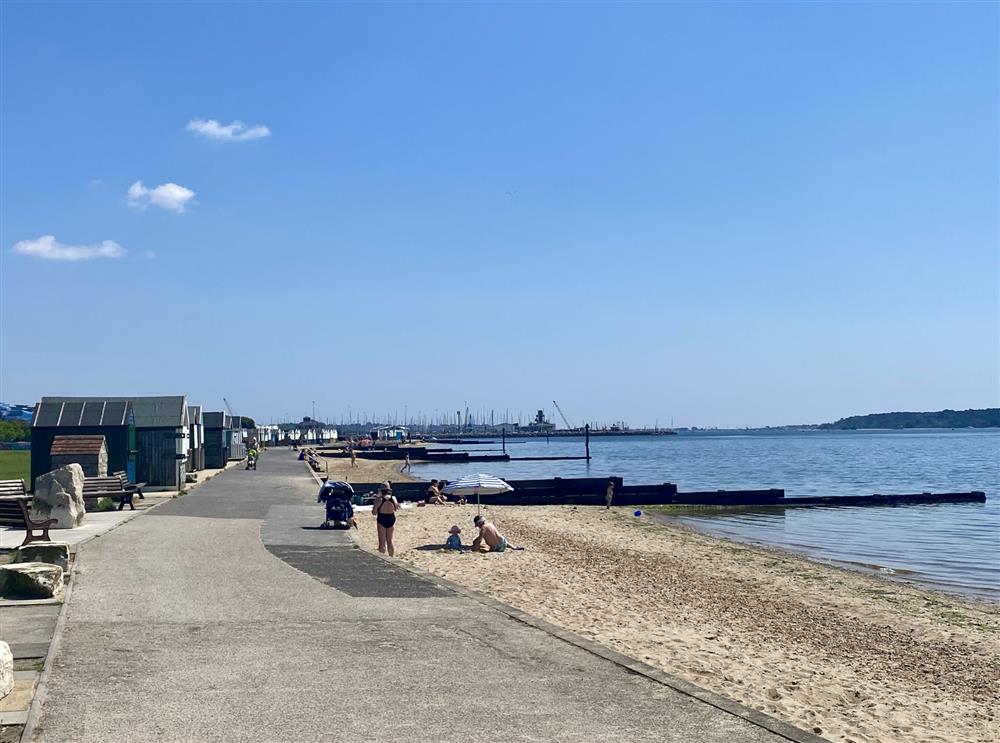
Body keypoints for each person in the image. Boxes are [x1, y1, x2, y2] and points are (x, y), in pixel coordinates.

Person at [372, 482, 399, 556]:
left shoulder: (379, 499)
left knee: (382, 542)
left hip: (382, 518)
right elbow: (396, 508)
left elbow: (374, 512)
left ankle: (382, 558)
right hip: (391, 518)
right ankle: (391, 557)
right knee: (389, 541)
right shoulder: (393, 498)